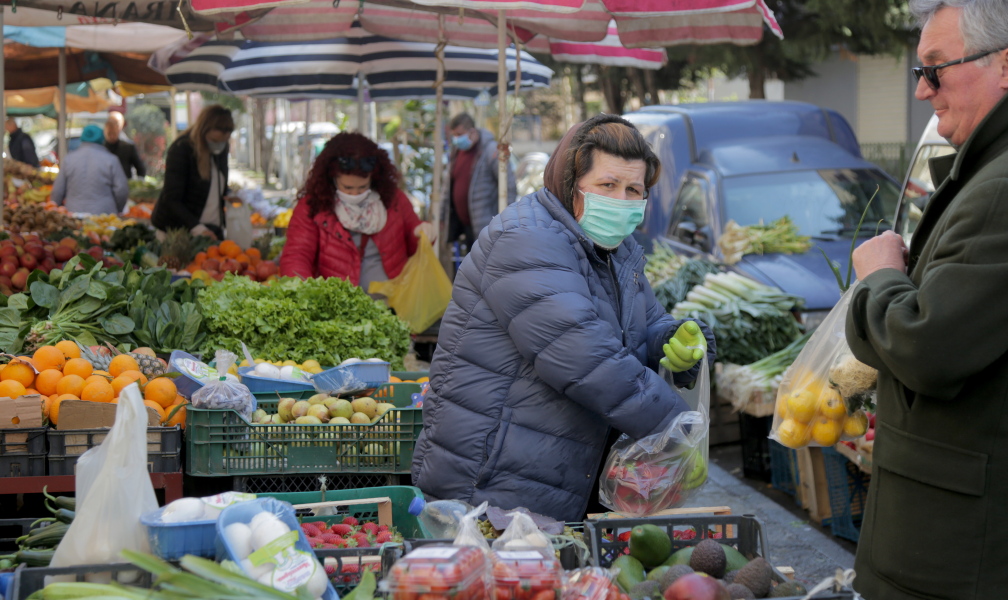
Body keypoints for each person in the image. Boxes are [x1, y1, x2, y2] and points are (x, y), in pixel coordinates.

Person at [845, 1, 1008, 598]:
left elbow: (927, 346)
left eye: (936, 68)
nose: (923, 91)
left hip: (971, 556)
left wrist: (879, 275)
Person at [411, 114, 716, 521]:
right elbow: (584, 353)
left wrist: (676, 338)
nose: (622, 201)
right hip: (493, 479)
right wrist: (675, 430)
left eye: (633, 190)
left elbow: (644, 322)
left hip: (554, 469)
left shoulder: (615, 249)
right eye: (607, 186)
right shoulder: (525, 238)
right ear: (572, 183)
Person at [279, 132, 436, 292]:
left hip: (394, 304)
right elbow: (297, 255)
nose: (355, 194)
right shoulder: (312, 206)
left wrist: (420, 233)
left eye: (362, 187)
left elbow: (413, 246)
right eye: (347, 187)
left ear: (374, 178)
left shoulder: (394, 200)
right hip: (336, 308)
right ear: (331, 178)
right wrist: (304, 293)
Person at [152, 105, 235, 239]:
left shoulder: (221, 149)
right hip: (178, 232)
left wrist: (229, 194)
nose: (219, 145)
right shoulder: (182, 149)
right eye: (214, 141)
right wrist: (198, 228)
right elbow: (171, 198)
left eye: (224, 141)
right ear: (204, 130)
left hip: (211, 229)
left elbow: (216, 183)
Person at [442, 113, 516, 254]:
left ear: (472, 131)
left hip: (486, 227)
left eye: (459, 134)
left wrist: (506, 220)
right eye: (454, 135)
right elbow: (448, 186)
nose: (457, 139)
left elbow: (509, 186)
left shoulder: (491, 151)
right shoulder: (456, 152)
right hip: (463, 226)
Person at [49, 124, 127, 215]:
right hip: (104, 214)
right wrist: (119, 208)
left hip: (73, 212)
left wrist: (55, 207)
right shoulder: (111, 160)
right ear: (102, 138)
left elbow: (58, 190)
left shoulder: (69, 159)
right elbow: (121, 189)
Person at [103, 111, 146, 179]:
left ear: (119, 128)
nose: (111, 136)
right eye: (109, 133)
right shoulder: (100, 148)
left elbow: (141, 169)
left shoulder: (128, 147)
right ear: (105, 130)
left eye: (113, 133)